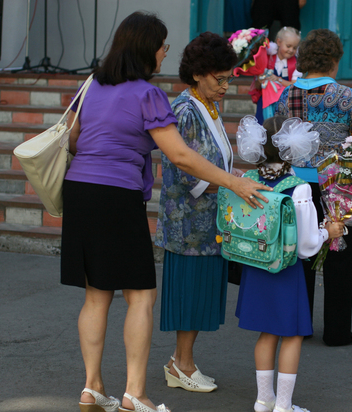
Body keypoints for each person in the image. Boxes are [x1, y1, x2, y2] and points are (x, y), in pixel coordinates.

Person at [60, 12, 271, 412]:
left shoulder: (91, 84)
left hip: (80, 191)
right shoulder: (147, 94)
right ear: (146, 49)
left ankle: (92, 387)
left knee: (95, 295)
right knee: (140, 294)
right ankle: (134, 394)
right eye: (162, 47)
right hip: (117, 196)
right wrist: (236, 182)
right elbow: (179, 155)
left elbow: (73, 140)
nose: (164, 55)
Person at [276, 29, 352, 347]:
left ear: (304, 59)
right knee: (340, 258)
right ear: (334, 61)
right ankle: (337, 330)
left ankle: (300, 326)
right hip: (339, 190)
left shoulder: (287, 95)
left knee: (301, 255)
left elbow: (278, 139)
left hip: (296, 187)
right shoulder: (347, 96)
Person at [234, 115, 345, 412]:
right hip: (285, 268)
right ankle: (283, 405)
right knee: (292, 334)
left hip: (255, 263)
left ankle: (263, 400)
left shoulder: (248, 181)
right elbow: (307, 244)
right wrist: (329, 232)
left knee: (266, 332)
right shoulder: (298, 188)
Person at [155, 32, 243, 393]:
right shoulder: (185, 109)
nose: (224, 86)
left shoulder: (206, 105)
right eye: (218, 79)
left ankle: (182, 362)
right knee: (190, 296)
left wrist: (231, 177)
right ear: (197, 75)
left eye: (227, 79)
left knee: (199, 294)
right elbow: (180, 168)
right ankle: (182, 364)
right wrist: (230, 183)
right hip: (188, 223)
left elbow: (212, 162)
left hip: (205, 220)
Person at [253, 27, 303, 123]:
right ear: (279, 42)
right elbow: (257, 85)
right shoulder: (267, 58)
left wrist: (278, 79)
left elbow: (294, 85)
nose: (291, 50)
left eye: (294, 48)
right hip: (265, 102)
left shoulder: (296, 63)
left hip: (284, 103)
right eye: (288, 46)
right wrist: (261, 79)